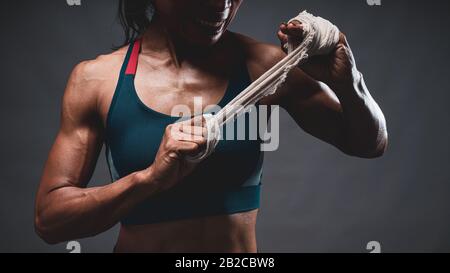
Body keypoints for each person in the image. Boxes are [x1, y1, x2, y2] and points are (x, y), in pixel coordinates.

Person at [35, 0, 387, 253]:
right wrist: (150, 179)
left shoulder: (264, 68)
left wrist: (349, 83)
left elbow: (369, 143)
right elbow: (51, 220)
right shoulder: (98, 79)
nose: (221, 4)